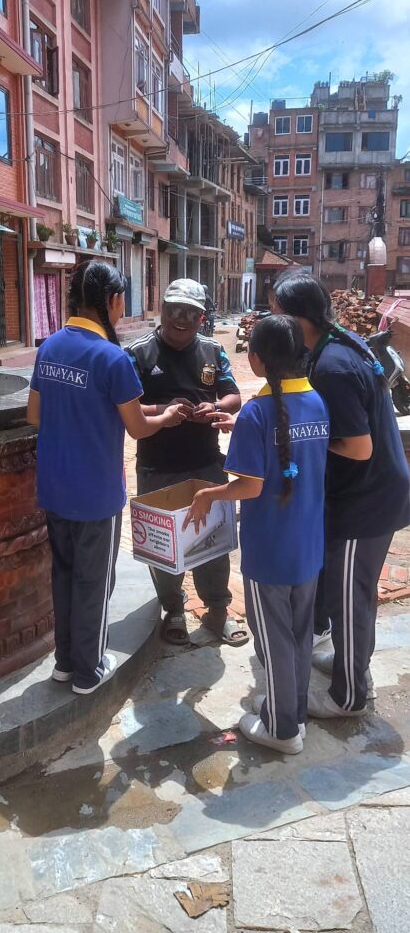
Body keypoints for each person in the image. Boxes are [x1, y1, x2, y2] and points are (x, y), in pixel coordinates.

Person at [27, 261, 185, 695]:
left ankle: (64, 663)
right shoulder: (112, 357)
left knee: (63, 575)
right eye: (121, 301)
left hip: (54, 486)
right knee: (94, 582)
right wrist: (166, 417)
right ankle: (89, 670)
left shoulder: (50, 346)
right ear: (112, 301)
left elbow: (35, 414)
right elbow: (137, 427)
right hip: (96, 493)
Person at [184, 314, 330, 754]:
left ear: (257, 359)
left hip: (270, 551)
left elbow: (250, 486)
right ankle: (294, 712)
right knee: (299, 634)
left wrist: (208, 494)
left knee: (274, 641)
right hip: (309, 544)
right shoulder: (316, 402)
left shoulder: (256, 413)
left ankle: (282, 730)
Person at [272, 269, 410, 719]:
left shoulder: (333, 366)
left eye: (277, 315)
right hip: (367, 491)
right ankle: (350, 662)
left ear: (298, 318)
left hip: (366, 500)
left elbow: (357, 446)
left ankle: (349, 695)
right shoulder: (337, 341)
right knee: (350, 592)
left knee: (350, 597)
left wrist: (303, 440)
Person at [126, 278, 247, 647]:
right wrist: (164, 411)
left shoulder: (213, 350)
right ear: (162, 310)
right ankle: (173, 609)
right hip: (157, 466)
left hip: (206, 463)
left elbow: (234, 396)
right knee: (165, 545)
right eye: (174, 310)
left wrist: (215, 406)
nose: (181, 318)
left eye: (190, 313)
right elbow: (125, 408)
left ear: (201, 317)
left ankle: (218, 610)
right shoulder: (139, 354)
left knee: (213, 540)